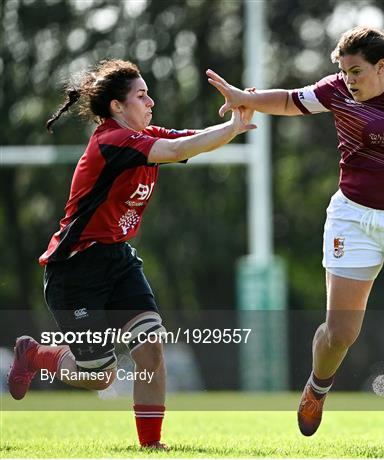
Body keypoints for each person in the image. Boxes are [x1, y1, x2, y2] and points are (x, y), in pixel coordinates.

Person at [207, 26, 384, 449]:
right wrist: (245, 98)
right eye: (343, 71)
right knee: (340, 334)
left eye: (356, 71)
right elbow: (289, 100)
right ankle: (317, 388)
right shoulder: (336, 91)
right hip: (352, 219)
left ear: (381, 66)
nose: (348, 79)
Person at [8, 59, 255, 450]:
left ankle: (151, 447)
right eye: (141, 95)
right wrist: (232, 128)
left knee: (152, 349)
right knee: (100, 375)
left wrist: (234, 125)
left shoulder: (141, 135)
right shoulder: (113, 140)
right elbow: (177, 148)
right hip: (76, 270)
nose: (151, 102)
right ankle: (37, 355)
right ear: (117, 107)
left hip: (118, 260)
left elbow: (188, 138)